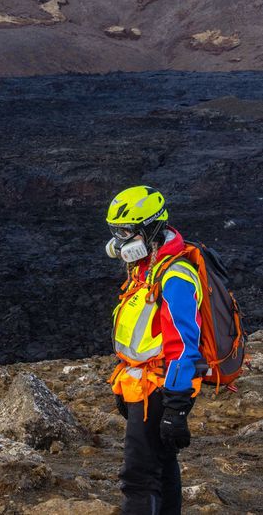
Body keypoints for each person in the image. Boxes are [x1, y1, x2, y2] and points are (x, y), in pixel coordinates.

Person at [105, 185, 203, 514]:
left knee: (139, 478)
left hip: (161, 389)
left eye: (125, 232)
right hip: (144, 386)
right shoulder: (148, 265)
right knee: (162, 466)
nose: (119, 241)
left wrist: (175, 407)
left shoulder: (174, 276)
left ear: (150, 229)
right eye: (115, 232)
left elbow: (183, 347)